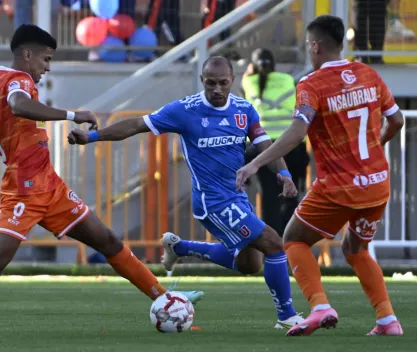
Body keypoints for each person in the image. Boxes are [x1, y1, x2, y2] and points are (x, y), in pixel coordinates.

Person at [0, 24, 203, 307]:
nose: (47, 67)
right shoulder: (18, 82)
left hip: (51, 188)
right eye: (46, 59)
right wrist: (72, 114)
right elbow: (19, 105)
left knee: (107, 240)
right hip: (24, 190)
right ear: (28, 54)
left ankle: (165, 299)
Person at [68, 56, 304, 329]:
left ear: (233, 81)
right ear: (202, 81)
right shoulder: (184, 110)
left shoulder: (244, 110)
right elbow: (135, 125)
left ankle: (180, 247)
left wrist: (283, 174)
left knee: (251, 263)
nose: (217, 89)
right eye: (211, 83)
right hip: (211, 201)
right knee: (273, 243)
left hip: (236, 197)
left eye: (223, 83)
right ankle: (287, 316)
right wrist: (92, 137)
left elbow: (266, 145)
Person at [236, 15, 404, 336]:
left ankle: (319, 306)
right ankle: (387, 320)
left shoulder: (311, 84)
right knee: (355, 249)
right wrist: (374, 146)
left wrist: (256, 162)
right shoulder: (368, 74)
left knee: (294, 239)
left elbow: (297, 132)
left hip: (340, 186)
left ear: (314, 46)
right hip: (377, 182)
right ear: (341, 44)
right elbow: (396, 121)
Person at [241, 48, 309, 236]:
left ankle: (273, 246)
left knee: (270, 196)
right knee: (291, 193)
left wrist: (249, 72)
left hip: (263, 148)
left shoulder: (248, 81)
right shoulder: (287, 80)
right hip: (291, 145)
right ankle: (291, 240)